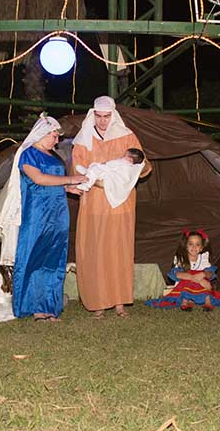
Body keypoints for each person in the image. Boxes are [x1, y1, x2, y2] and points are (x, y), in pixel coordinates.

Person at [0, 114, 87, 322]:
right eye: (54, 136)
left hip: (57, 212)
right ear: (42, 134)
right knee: (34, 259)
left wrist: (68, 187)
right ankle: (35, 307)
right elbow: (38, 179)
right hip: (37, 213)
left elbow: (51, 183)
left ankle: (49, 307)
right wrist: (71, 178)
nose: (57, 140)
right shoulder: (28, 155)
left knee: (54, 260)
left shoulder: (52, 156)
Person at [72, 96, 150, 319]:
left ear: (113, 115)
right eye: (99, 116)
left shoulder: (127, 136)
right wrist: (99, 181)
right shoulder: (83, 139)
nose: (103, 121)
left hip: (121, 204)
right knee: (95, 251)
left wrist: (126, 176)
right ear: (92, 114)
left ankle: (119, 302)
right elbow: (78, 169)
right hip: (94, 203)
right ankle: (97, 301)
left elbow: (143, 165)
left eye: (107, 116)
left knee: (119, 250)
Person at [146, 230, 220, 311]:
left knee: (204, 279)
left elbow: (210, 273)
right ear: (186, 246)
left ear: (201, 248)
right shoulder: (181, 259)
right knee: (188, 276)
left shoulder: (203, 258)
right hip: (184, 287)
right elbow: (177, 274)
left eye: (197, 244)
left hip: (200, 288)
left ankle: (207, 303)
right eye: (191, 244)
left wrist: (203, 274)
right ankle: (185, 302)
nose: (194, 247)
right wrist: (197, 279)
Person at [74, 148, 145, 209]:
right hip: (113, 176)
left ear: (130, 159)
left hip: (111, 176)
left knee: (96, 169)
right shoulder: (133, 166)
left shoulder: (124, 162)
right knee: (96, 171)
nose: (123, 156)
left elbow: (112, 164)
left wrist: (103, 164)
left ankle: (87, 184)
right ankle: (88, 172)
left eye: (125, 155)